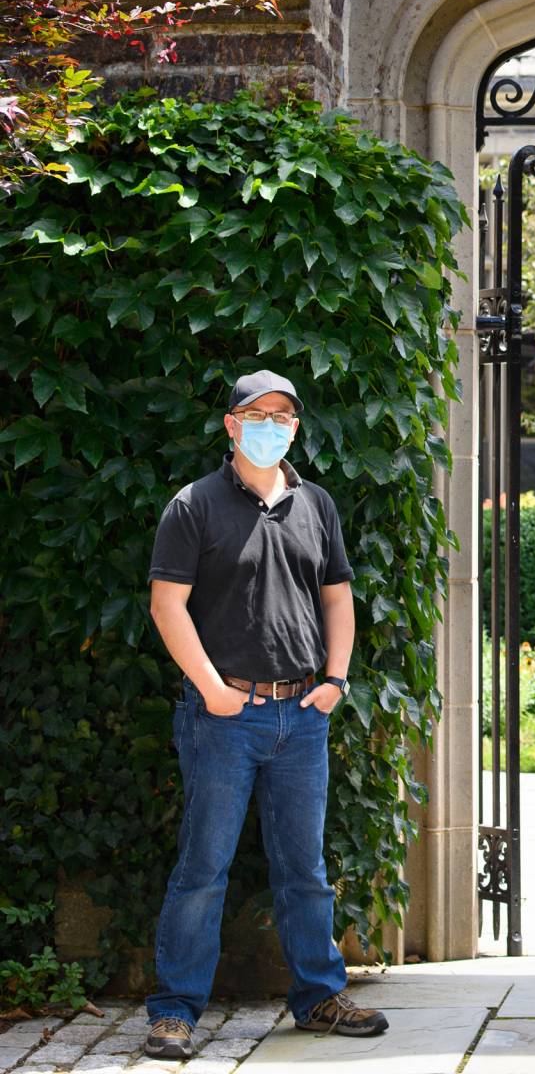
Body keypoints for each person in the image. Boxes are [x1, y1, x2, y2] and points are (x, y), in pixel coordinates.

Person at [143, 370, 388, 1061]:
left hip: (302, 715)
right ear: (231, 424)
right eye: (258, 413)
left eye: (284, 415)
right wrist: (214, 690)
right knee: (204, 867)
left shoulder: (316, 504)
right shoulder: (193, 507)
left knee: (304, 869)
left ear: (296, 427)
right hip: (224, 717)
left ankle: (317, 997)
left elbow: (337, 596)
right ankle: (174, 1012)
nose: (272, 424)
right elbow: (167, 605)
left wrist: (336, 679)